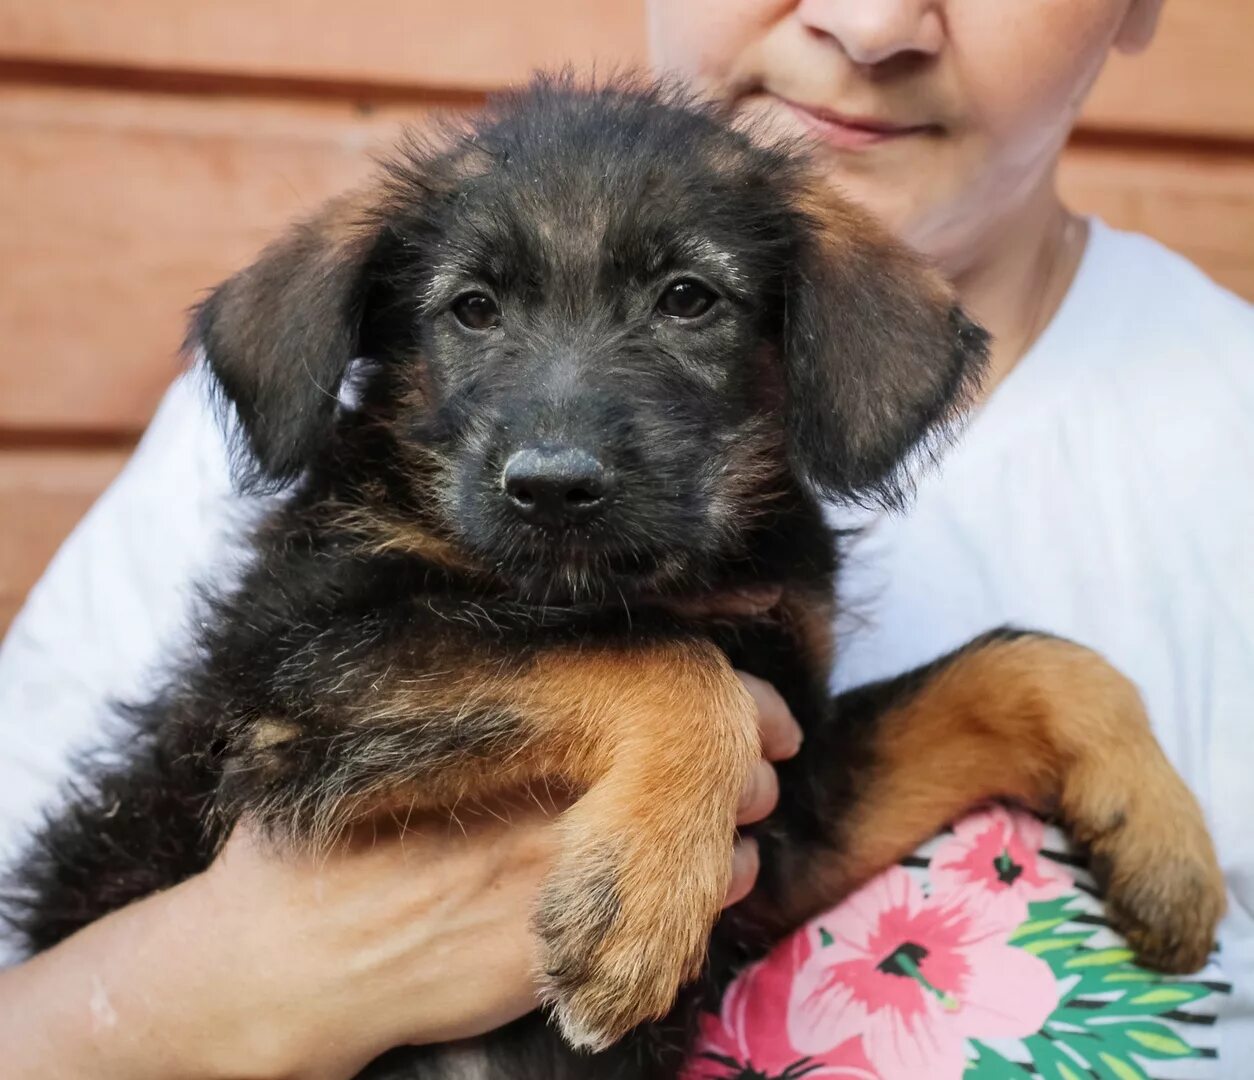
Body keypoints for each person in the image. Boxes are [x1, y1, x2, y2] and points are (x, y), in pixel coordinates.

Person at [2, 0, 1251, 1076]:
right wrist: (229, 989)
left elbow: (788, 830)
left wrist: (1037, 705)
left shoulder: (1198, 451)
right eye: (475, 312)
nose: (868, 21)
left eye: (688, 300)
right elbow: (320, 695)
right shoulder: (345, 511)